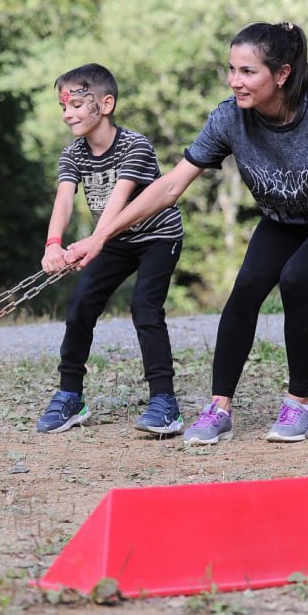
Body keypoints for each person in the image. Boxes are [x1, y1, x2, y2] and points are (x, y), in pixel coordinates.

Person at [65, 22, 308, 445]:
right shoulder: (230, 117)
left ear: (281, 74)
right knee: (246, 287)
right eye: (231, 70)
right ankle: (219, 409)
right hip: (287, 214)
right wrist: (101, 236)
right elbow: (172, 185)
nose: (235, 81)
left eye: (248, 72)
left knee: (296, 279)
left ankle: (298, 406)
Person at [36, 63, 186, 436]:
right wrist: (54, 245)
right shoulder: (73, 155)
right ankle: (70, 396)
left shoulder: (135, 145)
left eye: (74, 103)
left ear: (105, 104)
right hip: (114, 242)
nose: (67, 113)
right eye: (63, 106)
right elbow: (64, 202)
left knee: (144, 307)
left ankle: (164, 403)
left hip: (157, 237)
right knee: (82, 303)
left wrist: (91, 242)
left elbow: (119, 201)